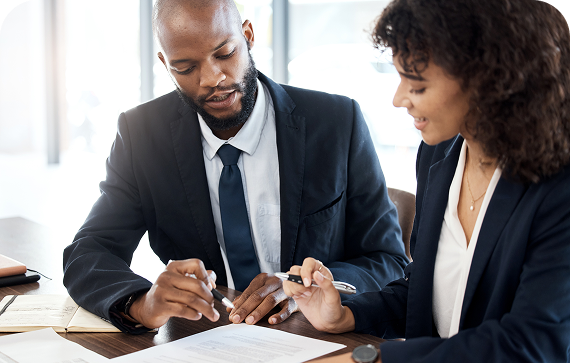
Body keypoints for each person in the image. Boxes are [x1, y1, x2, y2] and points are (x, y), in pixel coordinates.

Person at [62, 0, 408, 333]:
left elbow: (387, 260)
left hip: (317, 338)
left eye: (225, 53)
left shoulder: (335, 123)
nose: (212, 78)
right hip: (206, 339)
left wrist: (308, 288)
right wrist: (142, 303)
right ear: (164, 62)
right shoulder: (142, 135)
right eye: (185, 67)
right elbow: (88, 252)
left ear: (248, 35)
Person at [284, 0, 570, 362]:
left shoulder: (559, 186)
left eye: (416, 84)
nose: (398, 98)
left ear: (489, 80)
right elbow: (425, 290)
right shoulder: (440, 153)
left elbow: (531, 342)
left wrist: (379, 360)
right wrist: (347, 314)